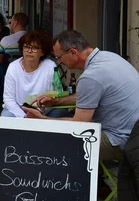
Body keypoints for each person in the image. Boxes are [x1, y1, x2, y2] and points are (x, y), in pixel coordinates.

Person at [23, 30, 139, 160]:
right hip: (133, 133)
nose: (59, 62)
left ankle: (72, 180)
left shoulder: (91, 77)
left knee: (58, 144)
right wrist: (56, 101)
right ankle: (94, 178)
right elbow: (87, 96)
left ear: (73, 52)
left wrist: (42, 120)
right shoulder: (110, 57)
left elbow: (79, 126)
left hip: (121, 140)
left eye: (59, 57)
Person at [1, 30, 69, 118]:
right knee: (6, 116)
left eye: (35, 48)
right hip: (18, 108)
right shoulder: (13, 67)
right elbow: (8, 99)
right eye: (26, 47)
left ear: (43, 52)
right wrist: (24, 116)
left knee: (60, 113)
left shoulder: (50, 66)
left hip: (43, 108)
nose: (29, 51)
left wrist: (38, 113)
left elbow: (54, 94)